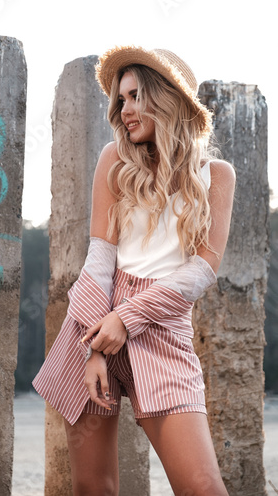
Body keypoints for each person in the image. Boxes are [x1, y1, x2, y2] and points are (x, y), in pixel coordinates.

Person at [33, 45, 235, 495]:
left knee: (203, 487)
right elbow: (100, 261)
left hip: (161, 328)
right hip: (92, 325)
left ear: (167, 98)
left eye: (134, 96)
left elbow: (202, 269)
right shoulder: (114, 159)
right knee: (94, 487)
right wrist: (95, 346)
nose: (124, 110)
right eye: (120, 100)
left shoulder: (217, 175)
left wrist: (128, 318)